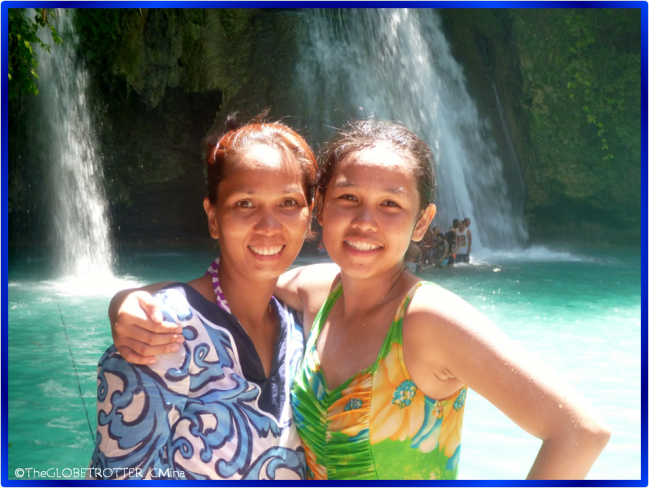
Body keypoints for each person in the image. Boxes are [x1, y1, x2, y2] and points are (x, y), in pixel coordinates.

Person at [110, 119, 610, 480]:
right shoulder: (318, 292)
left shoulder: (429, 319)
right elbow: (228, 283)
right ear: (321, 209)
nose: (365, 222)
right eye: (348, 198)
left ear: (421, 222)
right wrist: (127, 301)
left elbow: (580, 432)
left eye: (390, 204)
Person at [86, 115, 319, 480]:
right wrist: (127, 299)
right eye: (245, 204)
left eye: (288, 202)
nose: (269, 225)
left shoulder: (304, 327)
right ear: (213, 218)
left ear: (309, 217)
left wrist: (122, 296)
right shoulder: (160, 332)